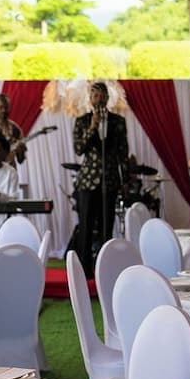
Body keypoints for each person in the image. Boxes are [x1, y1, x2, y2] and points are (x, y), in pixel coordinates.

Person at [72, 82, 130, 274]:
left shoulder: (118, 121)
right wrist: (92, 127)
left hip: (110, 180)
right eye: (95, 96)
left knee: (107, 226)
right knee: (86, 226)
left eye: (102, 95)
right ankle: (84, 270)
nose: (98, 99)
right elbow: (79, 149)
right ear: (90, 99)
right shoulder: (82, 121)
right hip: (88, 182)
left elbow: (123, 153)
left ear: (107, 98)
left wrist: (125, 180)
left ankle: (105, 268)